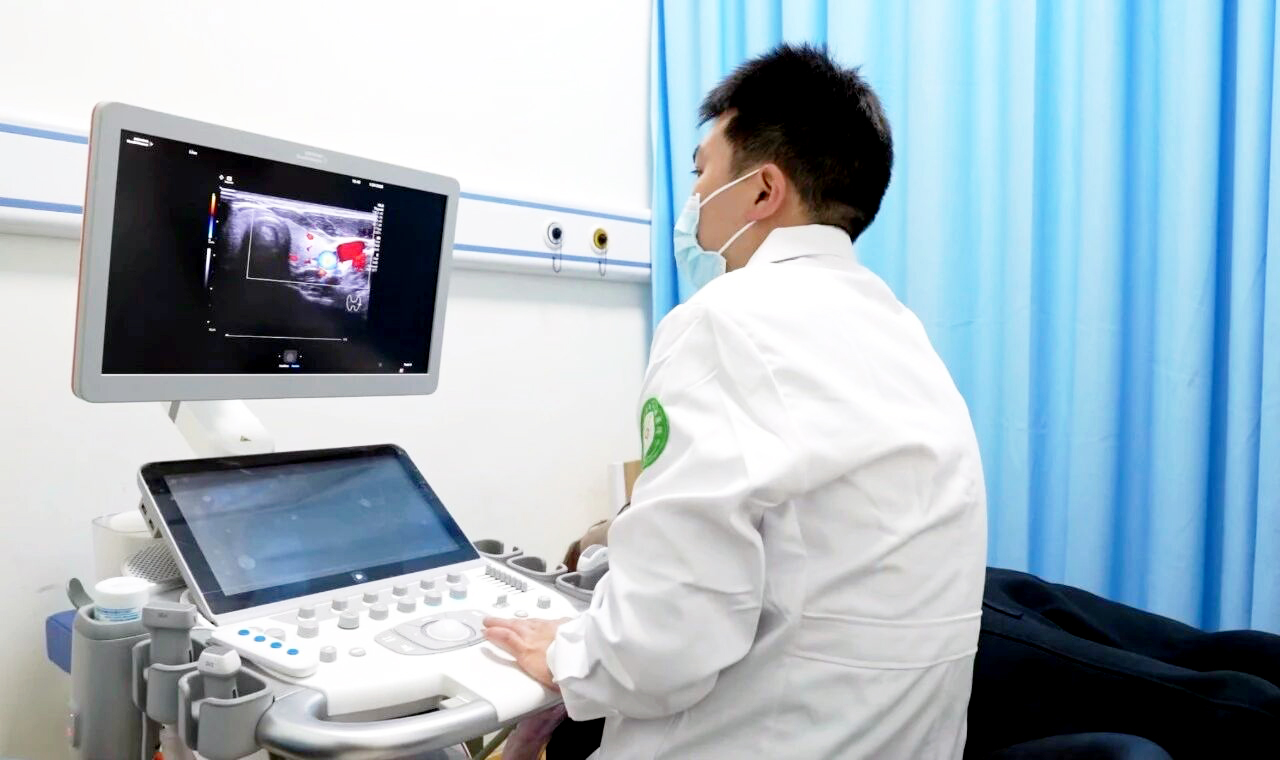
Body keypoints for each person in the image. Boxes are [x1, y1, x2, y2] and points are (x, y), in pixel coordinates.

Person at [484, 43, 988, 759]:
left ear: (762, 191)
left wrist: (568, 655)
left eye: (702, 173)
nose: (693, 200)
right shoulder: (901, 332)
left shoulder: (724, 321)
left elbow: (665, 643)